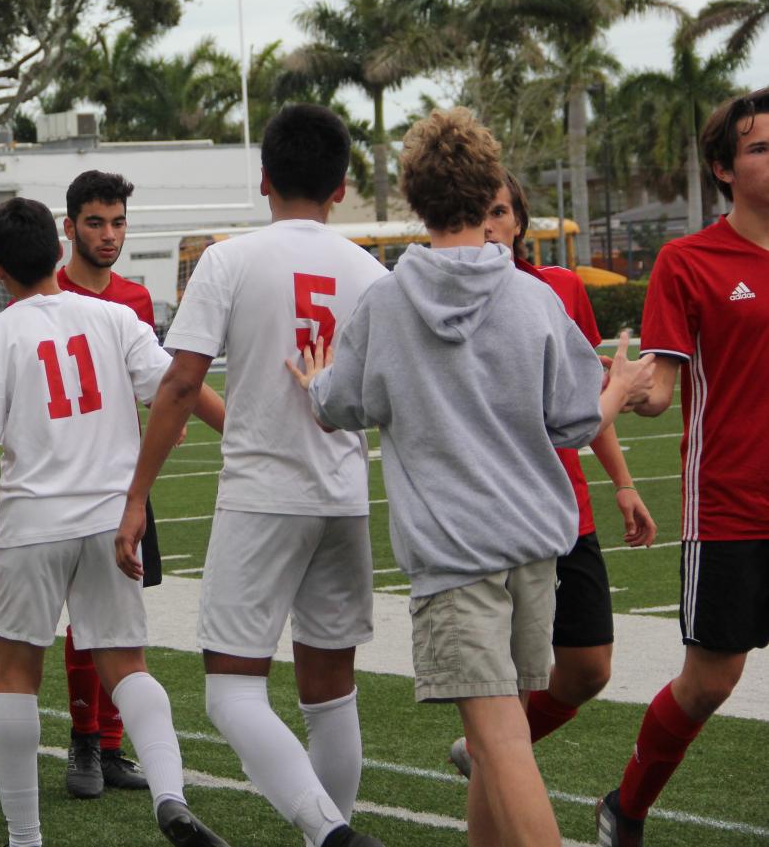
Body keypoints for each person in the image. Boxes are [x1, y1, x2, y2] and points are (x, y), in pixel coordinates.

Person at [293, 108, 653, 847]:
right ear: (489, 188)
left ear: (413, 197)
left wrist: (314, 383)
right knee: (505, 729)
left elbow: (339, 406)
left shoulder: (384, 303)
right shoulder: (533, 296)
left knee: (497, 737)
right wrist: (615, 388)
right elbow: (572, 421)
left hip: (454, 558)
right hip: (534, 548)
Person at [121, 106, 388, 847]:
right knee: (331, 693)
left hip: (263, 496)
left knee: (231, 689)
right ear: (340, 188)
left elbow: (178, 386)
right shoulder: (371, 272)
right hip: (342, 495)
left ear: (263, 178)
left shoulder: (227, 258)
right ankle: (331, 833)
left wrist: (137, 493)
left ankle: (328, 834)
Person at [0, 197, 230, 847]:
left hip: (34, 522)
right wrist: (241, 432)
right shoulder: (114, 316)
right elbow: (179, 386)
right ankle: (169, 793)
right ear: (59, 243)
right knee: (126, 663)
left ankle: (24, 836)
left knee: (16, 674)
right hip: (109, 518)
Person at [595, 88, 769, 847]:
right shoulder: (686, 260)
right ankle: (624, 805)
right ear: (721, 168)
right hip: (729, 502)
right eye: (759, 147)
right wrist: (625, 389)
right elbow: (662, 391)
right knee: (708, 683)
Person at [446, 172, 656, 778]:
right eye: (476, 212)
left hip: (566, 506)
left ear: (519, 222)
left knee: (589, 667)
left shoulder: (560, 289)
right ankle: (497, 766)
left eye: (499, 211)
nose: (489, 224)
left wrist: (623, 483)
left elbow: (589, 396)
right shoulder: (448, 297)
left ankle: (489, 754)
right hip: (491, 516)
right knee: (504, 681)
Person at [52, 169, 159, 798]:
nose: (109, 234)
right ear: (70, 227)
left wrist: (162, 424)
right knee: (80, 619)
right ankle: (84, 742)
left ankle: (113, 748)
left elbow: (151, 385)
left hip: (125, 482)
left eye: (118, 222)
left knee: (124, 615)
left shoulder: (137, 299)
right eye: (96, 222)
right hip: (66, 483)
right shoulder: (45, 292)